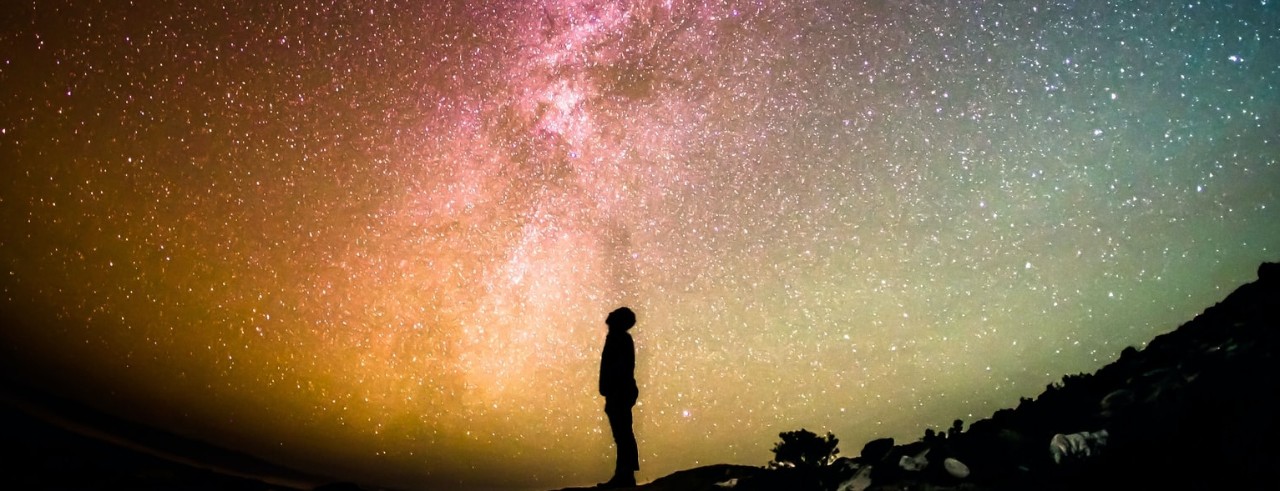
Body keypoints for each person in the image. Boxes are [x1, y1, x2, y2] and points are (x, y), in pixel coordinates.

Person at [598, 307, 639, 488]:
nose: (609, 314)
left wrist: (612, 390)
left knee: (623, 434)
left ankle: (625, 477)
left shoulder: (619, 339)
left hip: (619, 392)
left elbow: (620, 368)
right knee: (622, 434)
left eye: (614, 314)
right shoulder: (618, 338)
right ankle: (623, 475)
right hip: (619, 391)